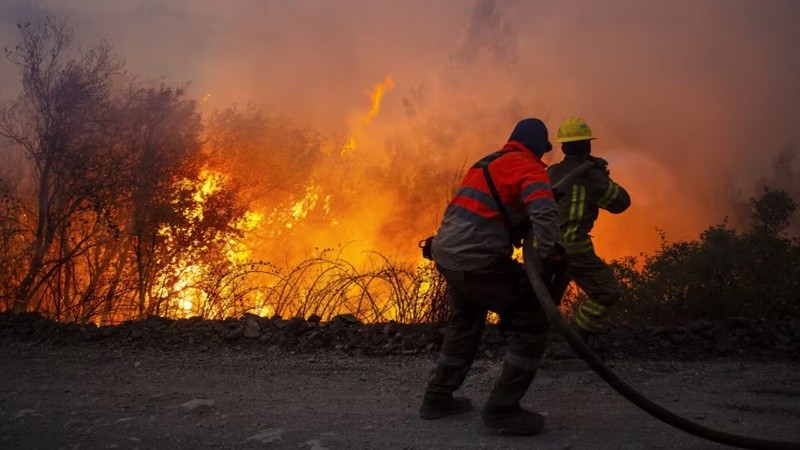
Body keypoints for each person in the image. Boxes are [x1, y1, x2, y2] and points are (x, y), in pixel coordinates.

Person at [419, 118, 565, 435]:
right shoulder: (529, 167)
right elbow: (543, 210)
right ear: (539, 146)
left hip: (447, 253)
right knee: (532, 319)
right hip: (477, 260)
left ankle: (437, 398)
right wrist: (552, 253)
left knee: (466, 321)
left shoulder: (486, 162)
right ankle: (502, 409)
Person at [547, 117, 631, 344]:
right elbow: (621, 203)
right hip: (573, 250)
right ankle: (579, 339)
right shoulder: (591, 176)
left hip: (543, 248)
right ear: (588, 145)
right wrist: (602, 176)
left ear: (563, 147)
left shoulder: (551, 172)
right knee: (606, 292)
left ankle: (539, 341)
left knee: (546, 298)